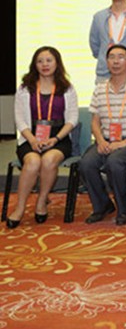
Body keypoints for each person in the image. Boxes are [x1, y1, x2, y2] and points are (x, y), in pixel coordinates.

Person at [80, 44, 126, 225]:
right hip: (106, 141)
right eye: (111, 57)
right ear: (106, 62)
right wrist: (100, 140)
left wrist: (124, 143)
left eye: (121, 57)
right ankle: (102, 205)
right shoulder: (100, 89)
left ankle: (123, 209)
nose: (115, 61)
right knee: (86, 163)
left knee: (114, 161)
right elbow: (95, 121)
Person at [8, 47, 78, 228]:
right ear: (34, 64)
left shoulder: (67, 88)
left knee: (48, 160)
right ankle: (20, 208)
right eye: (40, 61)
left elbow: (72, 119)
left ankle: (41, 201)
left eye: (49, 60)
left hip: (58, 138)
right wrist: (32, 140)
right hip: (30, 137)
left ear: (57, 63)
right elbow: (19, 119)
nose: (44, 65)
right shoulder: (25, 89)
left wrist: (55, 139)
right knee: (32, 162)